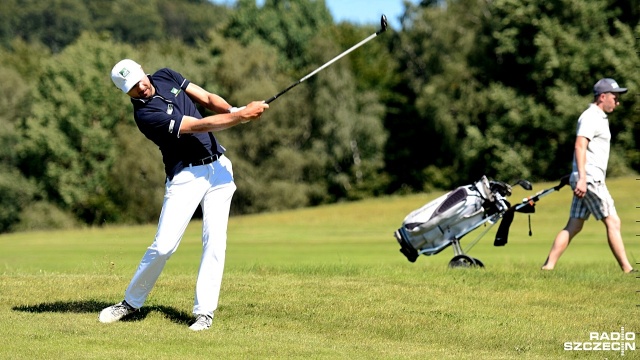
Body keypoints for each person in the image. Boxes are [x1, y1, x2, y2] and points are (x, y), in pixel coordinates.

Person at [99, 59, 269, 331]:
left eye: (139, 79)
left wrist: (234, 109)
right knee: (164, 246)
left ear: (143, 69)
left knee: (215, 242)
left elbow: (207, 98)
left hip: (219, 170)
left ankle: (204, 313)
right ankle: (130, 303)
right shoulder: (146, 116)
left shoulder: (166, 76)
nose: (140, 87)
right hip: (186, 177)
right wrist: (240, 117)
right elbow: (198, 126)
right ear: (125, 92)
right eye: (131, 88)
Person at [541, 78, 635, 273]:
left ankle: (548, 267)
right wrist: (581, 177)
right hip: (590, 179)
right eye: (614, 97)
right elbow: (580, 145)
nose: (617, 102)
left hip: (585, 177)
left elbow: (585, 150)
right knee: (613, 221)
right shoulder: (591, 116)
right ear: (602, 97)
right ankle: (627, 270)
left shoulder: (597, 117)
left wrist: (576, 174)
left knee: (574, 225)